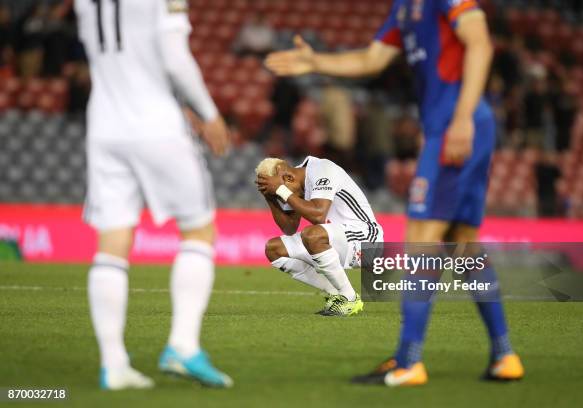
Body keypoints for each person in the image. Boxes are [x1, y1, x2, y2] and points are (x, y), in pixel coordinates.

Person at [265, 0, 524, 386]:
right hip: (454, 126)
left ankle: (409, 361)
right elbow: (371, 58)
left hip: (455, 126)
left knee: (423, 240)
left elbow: (480, 42)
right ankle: (504, 356)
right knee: (463, 243)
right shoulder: (405, 8)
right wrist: (317, 63)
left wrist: (462, 117)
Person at [75, 0, 232, 390]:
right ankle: (182, 345)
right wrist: (208, 113)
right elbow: (175, 58)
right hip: (156, 124)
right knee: (198, 230)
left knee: (112, 242)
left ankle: (113, 364)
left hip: (104, 126)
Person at [255, 156, 384, 316]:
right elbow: (289, 227)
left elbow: (318, 215)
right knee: (274, 249)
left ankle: (349, 299)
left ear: (288, 178)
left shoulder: (323, 170)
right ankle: (337, 294)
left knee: (312, 235)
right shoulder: (294, 180)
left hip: (366, 239)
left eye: (279, 193)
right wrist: (270, 198)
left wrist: (281, 190)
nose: (282, 198)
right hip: (337, 239)